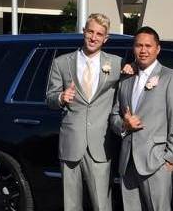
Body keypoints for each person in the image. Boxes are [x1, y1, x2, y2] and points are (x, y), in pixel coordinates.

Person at [45, 13, 122, 211]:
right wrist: (61, 98)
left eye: (99, 34)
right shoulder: (62, 63)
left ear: (106, 38)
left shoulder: (117, 64)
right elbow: (49, 99)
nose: (94, 37)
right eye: (90, 32)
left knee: (102, 204)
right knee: (70, 205)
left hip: (100, 144)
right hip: (71, 143)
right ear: (84, 32)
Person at [109, 26, 173, 211]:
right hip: (128, 162)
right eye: (138, 45)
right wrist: (124, 125)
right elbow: (113, 116)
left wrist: (171, 158)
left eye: (148, 46)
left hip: (156, 160)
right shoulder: (126, 80)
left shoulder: (171, 77)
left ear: (157, 49)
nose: (143, 50)